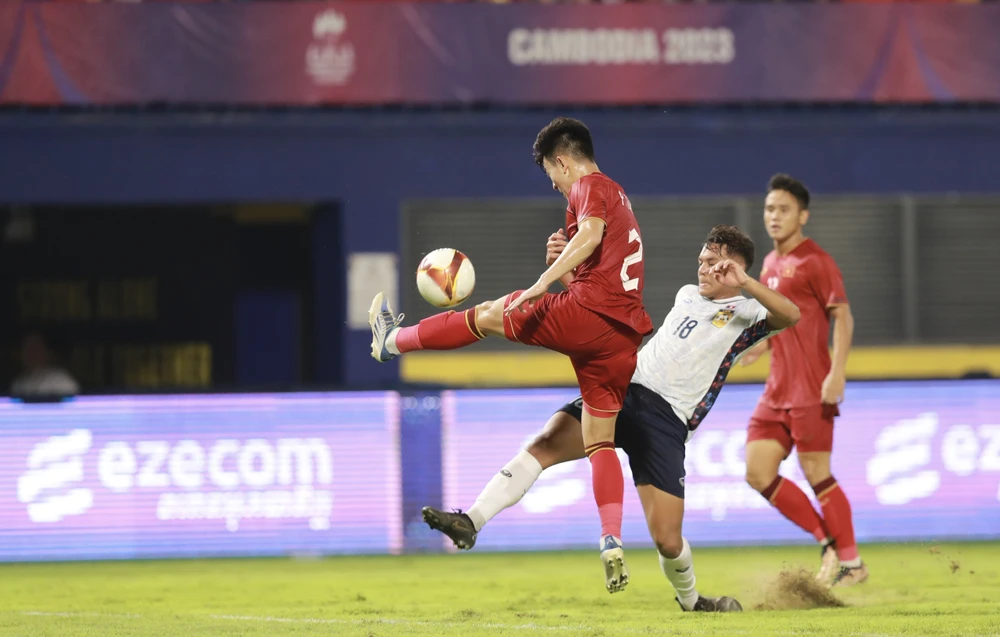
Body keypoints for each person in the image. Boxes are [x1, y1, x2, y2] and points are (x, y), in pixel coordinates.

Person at [422, 225, 799, 611]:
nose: (701, 269)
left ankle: (692, 602)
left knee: (668, 541)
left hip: (666, 421)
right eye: (701, 261)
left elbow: (792, 314)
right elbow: (595, 310)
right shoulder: (687, 295)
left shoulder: (749, 311)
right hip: (623, 387)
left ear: (733, 268)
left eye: (711, 264)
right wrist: (565, 269)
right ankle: (471, 521)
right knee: (545, 443)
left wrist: (746, 282)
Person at [369, 117, 653, 593]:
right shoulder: (617, 193)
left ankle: (390, 342)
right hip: (621, 339)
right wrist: (565, 270)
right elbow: (599, 266)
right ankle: (610, 541)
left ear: (562, 160)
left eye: (551, 175)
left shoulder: (590, 186)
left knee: (486, 315)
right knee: (598, 441)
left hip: (592, 317)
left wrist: (544, 282)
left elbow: (589, 238)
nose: (558, 185)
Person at [739, 174, 865, 587]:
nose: (774, 217)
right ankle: (827, 542)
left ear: (803, 216)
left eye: (784, 209)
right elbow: (782, 322)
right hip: (776, 391)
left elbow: (842, 316)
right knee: (758, 471)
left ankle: (852, 563)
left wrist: (837, 372)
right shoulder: (771, 264)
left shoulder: (816, 262)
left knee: (817, 474)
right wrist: (760, 346)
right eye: (769, 209)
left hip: (812, 387)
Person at [9, 332, 79, 398]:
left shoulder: (62, 379)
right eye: (27, 348)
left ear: (46, 352)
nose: (32, 353)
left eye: (36, 348)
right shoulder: (18, 383)